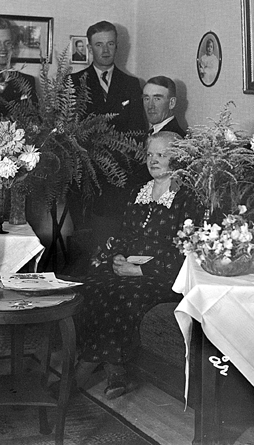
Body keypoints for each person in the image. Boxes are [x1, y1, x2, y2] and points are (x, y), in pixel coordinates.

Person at [73, 131, 202, 399]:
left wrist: (141, 270)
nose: (153, 161)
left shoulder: (187, 198)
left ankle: (81, 371)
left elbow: (186, 250)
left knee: (120, 295)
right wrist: (118, 256)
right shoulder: (138, 192)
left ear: (177, 158)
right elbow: (125, 233)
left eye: (161, 155)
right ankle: (115, 371)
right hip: (129, 267)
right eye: (150, 154)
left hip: (164, 275)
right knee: (90, 286)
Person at [70, 20, 147, 246]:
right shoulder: (73, 83)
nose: (105, 50)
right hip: (84, 176)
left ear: (117, 46)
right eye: (99, 44)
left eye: (110, 44)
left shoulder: (131, 84)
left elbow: (138, 133)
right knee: (85, 239)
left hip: (119, 177)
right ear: (89, 47)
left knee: (113, 236)